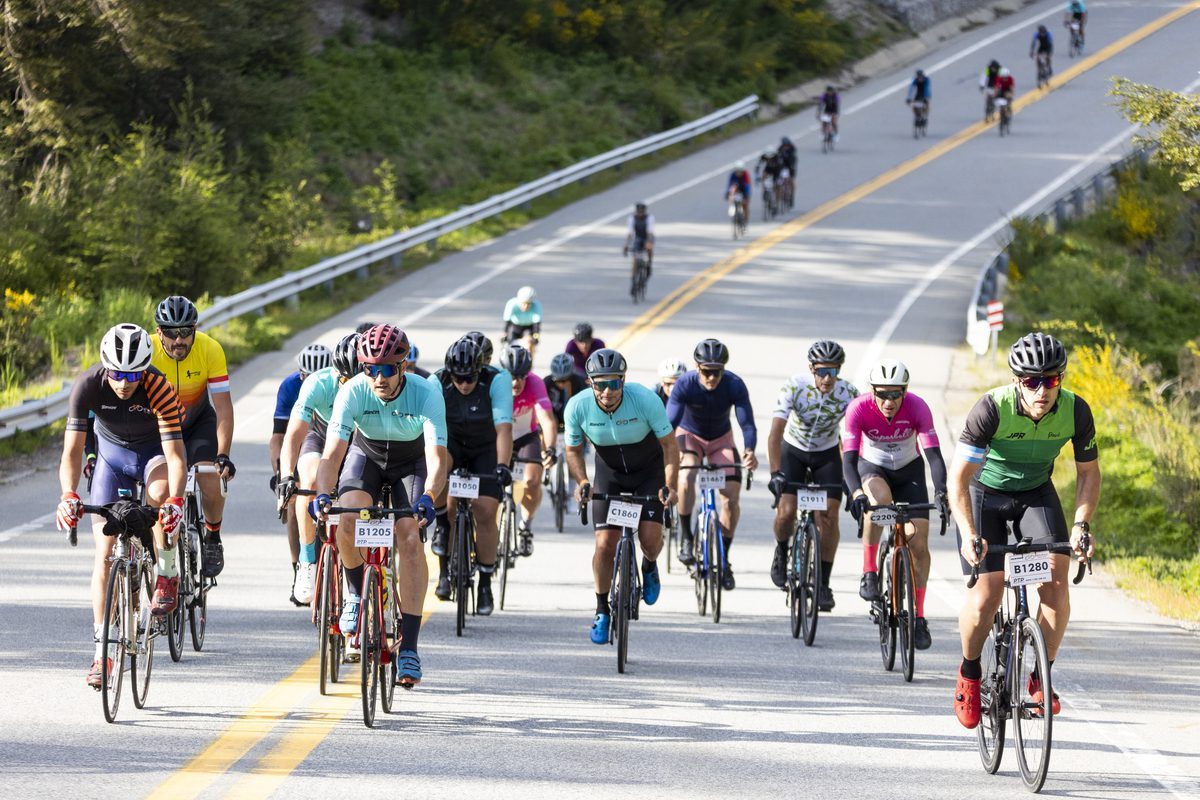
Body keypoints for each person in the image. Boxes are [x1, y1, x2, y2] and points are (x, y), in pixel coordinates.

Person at [951, 332, 1098, 729]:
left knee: (1056, 585)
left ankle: (1040, 677)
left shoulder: (1076, 410)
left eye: (1051, 380)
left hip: (1035, 493)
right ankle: (969, 673)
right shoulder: (990, 409)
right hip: (985, 493)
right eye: (1032, 381)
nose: (1041, 390)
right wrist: (968, 532)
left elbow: (1088, 473)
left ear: (1061, 379)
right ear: (1017, 381)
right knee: (987, 594)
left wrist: (1082, 524)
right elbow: (958, 478)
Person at [310, 324, 447, 687]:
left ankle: (410, 647)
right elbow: (331, 455)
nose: (378, 378)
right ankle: (357, 593)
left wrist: (428, 497)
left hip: (410, 462)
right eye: (370, 369)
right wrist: (322, 494)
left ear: (403, 366)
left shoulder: (426, 393)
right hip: (366, 456)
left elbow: (437, 459)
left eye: (386, 369)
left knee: (410, 536)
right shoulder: (353, 391)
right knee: (347, 518)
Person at [56, 324, 188, 688]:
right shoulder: (87, 385)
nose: (124, 383)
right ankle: (102, 653)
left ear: (144, 370)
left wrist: (176, 502)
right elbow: (71, 451)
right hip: (111, 459)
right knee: (104, 555)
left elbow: (176, 457)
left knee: (160, 495)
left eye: (132, 375)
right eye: (117, 374)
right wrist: (68, 493)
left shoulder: (158, 386)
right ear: (105, 367)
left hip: (153, 454)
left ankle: (167, 569)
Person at [565, 348, 679, 644]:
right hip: (610, 475)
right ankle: (602, 608)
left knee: (650, 540)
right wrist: (582, 481)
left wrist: (670, 485)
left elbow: (670, 445)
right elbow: (573, 450)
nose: (608, 391)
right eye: (601, 384)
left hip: (648, 472)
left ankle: (649, 565)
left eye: (614, 383)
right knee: (604, 545)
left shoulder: (645, 400)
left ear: (623, 381)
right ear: (590, 383)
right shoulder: (577, 407)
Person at [842, 358, 948, 651]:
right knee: (879, 503)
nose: (889, 401)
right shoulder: (858, 409)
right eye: (882, 394)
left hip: (909, 470)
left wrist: (941, 492)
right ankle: (869, 572)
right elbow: (848, 461)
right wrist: (856, 493)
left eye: (895, 394)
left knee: (919, 544)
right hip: (873, 467)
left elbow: (934, 456)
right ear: (872, 391)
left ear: (905, 391)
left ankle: (919, 617)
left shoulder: (917, 407)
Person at [767, 340, 858, 610]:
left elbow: (857, 437)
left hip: (826, 453)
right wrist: (775, 472)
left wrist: (852, 479)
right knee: (786, 511)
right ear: (811, 369)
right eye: (822, 372)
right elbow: (775, 433)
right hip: (793, 450)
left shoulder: (848, 393)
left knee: (829, 516)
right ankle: (781, 552)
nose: (827, 378)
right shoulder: (795, 386)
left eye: (833, 371)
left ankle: (823, 584)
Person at [150, 295, 235, 578]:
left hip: (198, 422)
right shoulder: (147, 351)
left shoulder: (210, 349)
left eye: (186, 332)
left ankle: (213, 536)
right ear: (159, 332)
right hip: (159, 427)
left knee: (210, 478)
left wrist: (223, 454)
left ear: (194, 330)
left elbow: (223, 408)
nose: (179, 340)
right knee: (161, 490)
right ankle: (164, 561)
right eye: (171, 333)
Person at [431, 337, 514, 615]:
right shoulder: (437, 382)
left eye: (470, 378)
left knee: (486, 511)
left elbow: (504, 428)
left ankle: (485, 584)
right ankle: (444, 563)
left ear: (480, 371)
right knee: (439, 472)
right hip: (451, 443)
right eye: (458, 378)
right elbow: (430, 432)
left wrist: (502, 465)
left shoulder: (496, 380)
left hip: (485, 448)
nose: (464, 384)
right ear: (449, 373)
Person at [667, 339, 758, 586]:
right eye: (707, 371)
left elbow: (747, 424)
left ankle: (724, 558)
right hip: (690, 436)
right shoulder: (685, 384)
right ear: (697, 368)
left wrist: (749, 450)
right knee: (686, 477)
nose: (712, 377)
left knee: (731, 498)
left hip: (720, 440)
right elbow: (669, 423)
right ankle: (687, 537)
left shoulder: (734, 384)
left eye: (717, 372)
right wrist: (664, 451)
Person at [278, 334, 357, 606]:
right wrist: (286, 476)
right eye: (344, 379)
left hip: (359, 440)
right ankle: (307, 561)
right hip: (322, 435)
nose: (350, 386)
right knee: (309, 481)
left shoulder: (373, 388)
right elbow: (293, 436)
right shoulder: (317, 383)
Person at [270, 343, 332, 605]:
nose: (315, 381)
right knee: (296, 499)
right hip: (305, 441)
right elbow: (279, 437)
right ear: (300, 374)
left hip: (333, 438)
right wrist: (281, 474)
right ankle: (300, 568)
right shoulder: (290, 386)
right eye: (308, 376)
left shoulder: (340, 385)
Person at [501, 344, 558, 556]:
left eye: (521, 377)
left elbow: (547, 420)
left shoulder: (535, 383)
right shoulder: (494, 383)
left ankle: (525, 525)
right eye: (511, 377)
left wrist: (550, 448)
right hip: (500, 436)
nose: (516, 382)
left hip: (526, 436)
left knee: (533, 481)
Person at [545, 352, 587, 429]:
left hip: (574, 418)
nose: (561, 384)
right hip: (554, 418)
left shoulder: (580, 381)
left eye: (564, 380)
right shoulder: (547, 382)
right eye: (558, 380)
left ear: (571, 376)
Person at [501, 286, 542, 356]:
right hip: (516, 326)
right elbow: (507, 321)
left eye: (528, 304)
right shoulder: (511, 304)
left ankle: (529, 359)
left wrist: (536, 336)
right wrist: (504, 333)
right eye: (524, 303)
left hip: (529, 327)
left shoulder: (536, 305)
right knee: (510, 346)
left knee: (530, 343)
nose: (526, 307)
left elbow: (537, 324)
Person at [622, 202, 656, 283]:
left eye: (642, 211)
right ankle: (633, 277)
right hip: (638, 238)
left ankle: (649, 264)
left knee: (649, 247)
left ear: (645, 211)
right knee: (635, 257)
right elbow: (630, 233)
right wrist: (626, 245)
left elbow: (650, 231)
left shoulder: (649, 218)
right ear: (636, 211)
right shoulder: (632, 218)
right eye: (639, 211)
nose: (640, 213)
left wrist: (649, 242)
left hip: (647, 236)